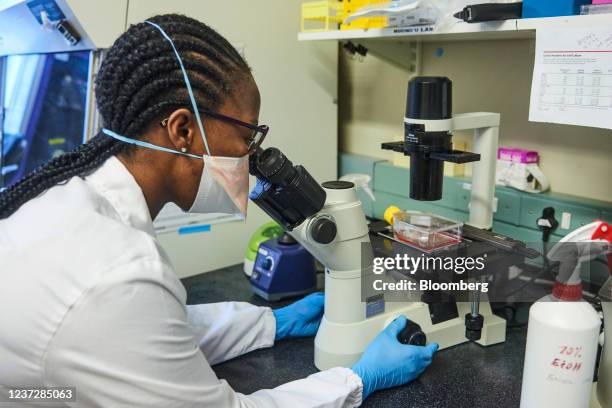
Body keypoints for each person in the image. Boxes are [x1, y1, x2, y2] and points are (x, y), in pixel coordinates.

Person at [0, 14, 437, 407]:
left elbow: (153, 336)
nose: (251, 155)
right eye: (248, 138)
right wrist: (358, 380)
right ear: (183, 130)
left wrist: (271, 322)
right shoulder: (117, 273)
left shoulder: (71, 202)